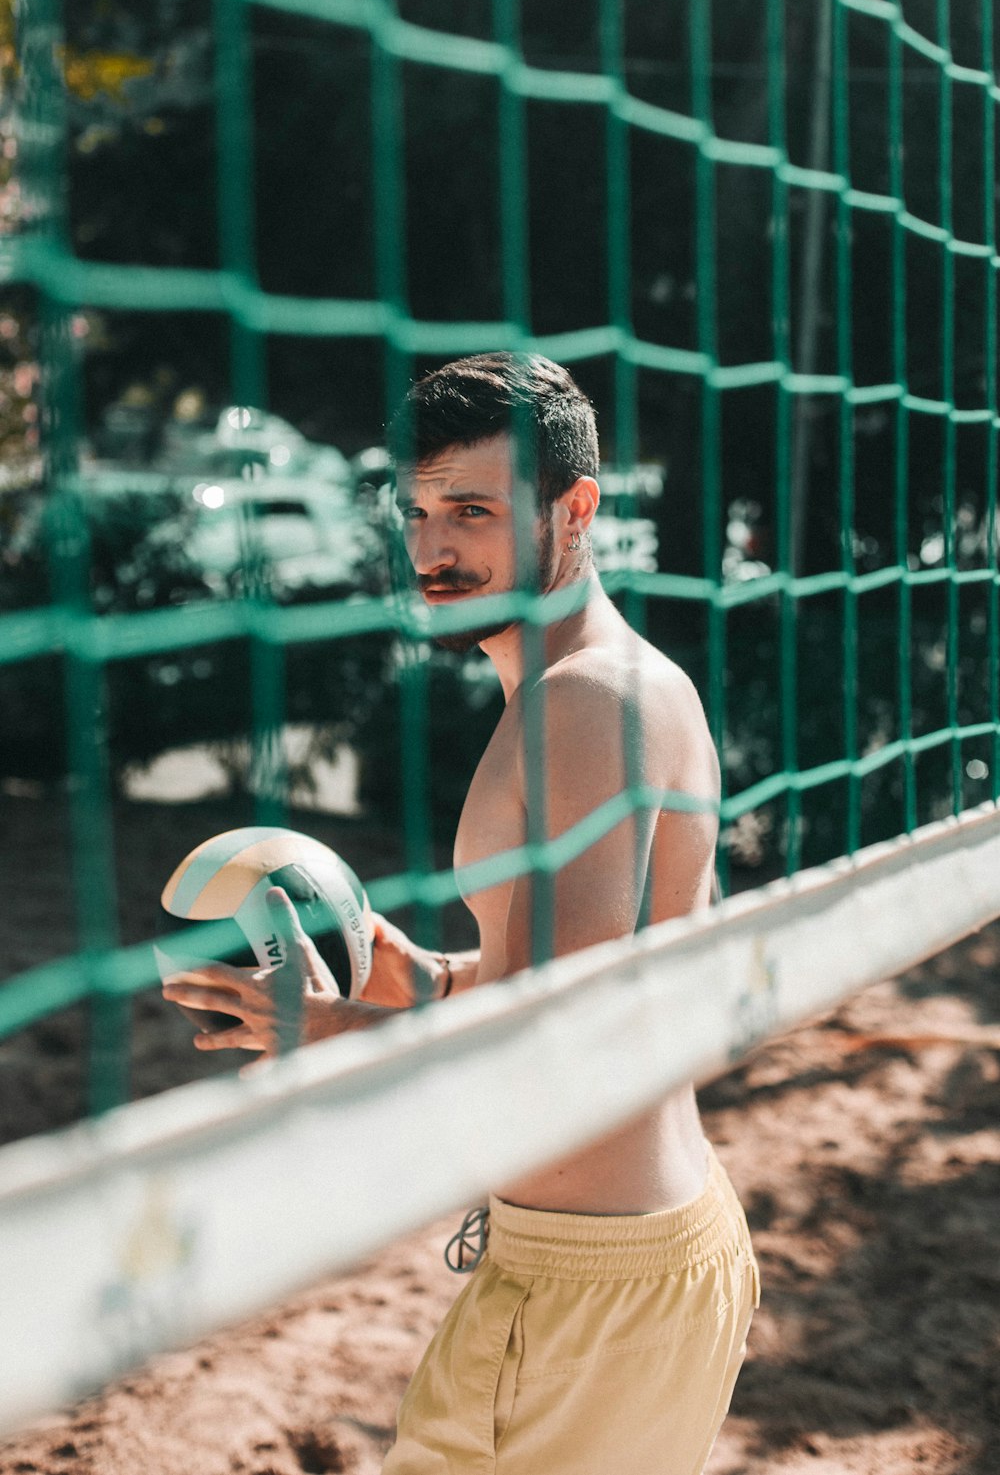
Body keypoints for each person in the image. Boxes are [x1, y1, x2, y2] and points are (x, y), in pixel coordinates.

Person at [162, 352, 759, 1475]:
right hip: (645, 1257)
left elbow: (556, 1037)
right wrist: (413, 971)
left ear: (574, 509)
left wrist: (327, 1035)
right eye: (420, 510)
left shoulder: (583, 701)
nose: (434, 549)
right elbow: (639, 974)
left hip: (591, 1287)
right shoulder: (640, 683)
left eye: (474, 510)